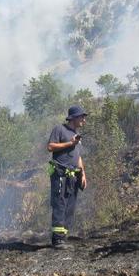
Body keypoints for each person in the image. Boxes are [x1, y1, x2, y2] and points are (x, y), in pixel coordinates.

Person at [46, 105, 88, 249]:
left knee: (70, 206)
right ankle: (57, 240)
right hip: (60, 174)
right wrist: (70, 143)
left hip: (73, 176)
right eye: (82, 117)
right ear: (73, 118)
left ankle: (63, 237)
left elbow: (78, 156)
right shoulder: (59, 129)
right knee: (60, 204)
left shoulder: (77, 135)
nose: (84, 120)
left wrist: (83, 174)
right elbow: (50, 147)